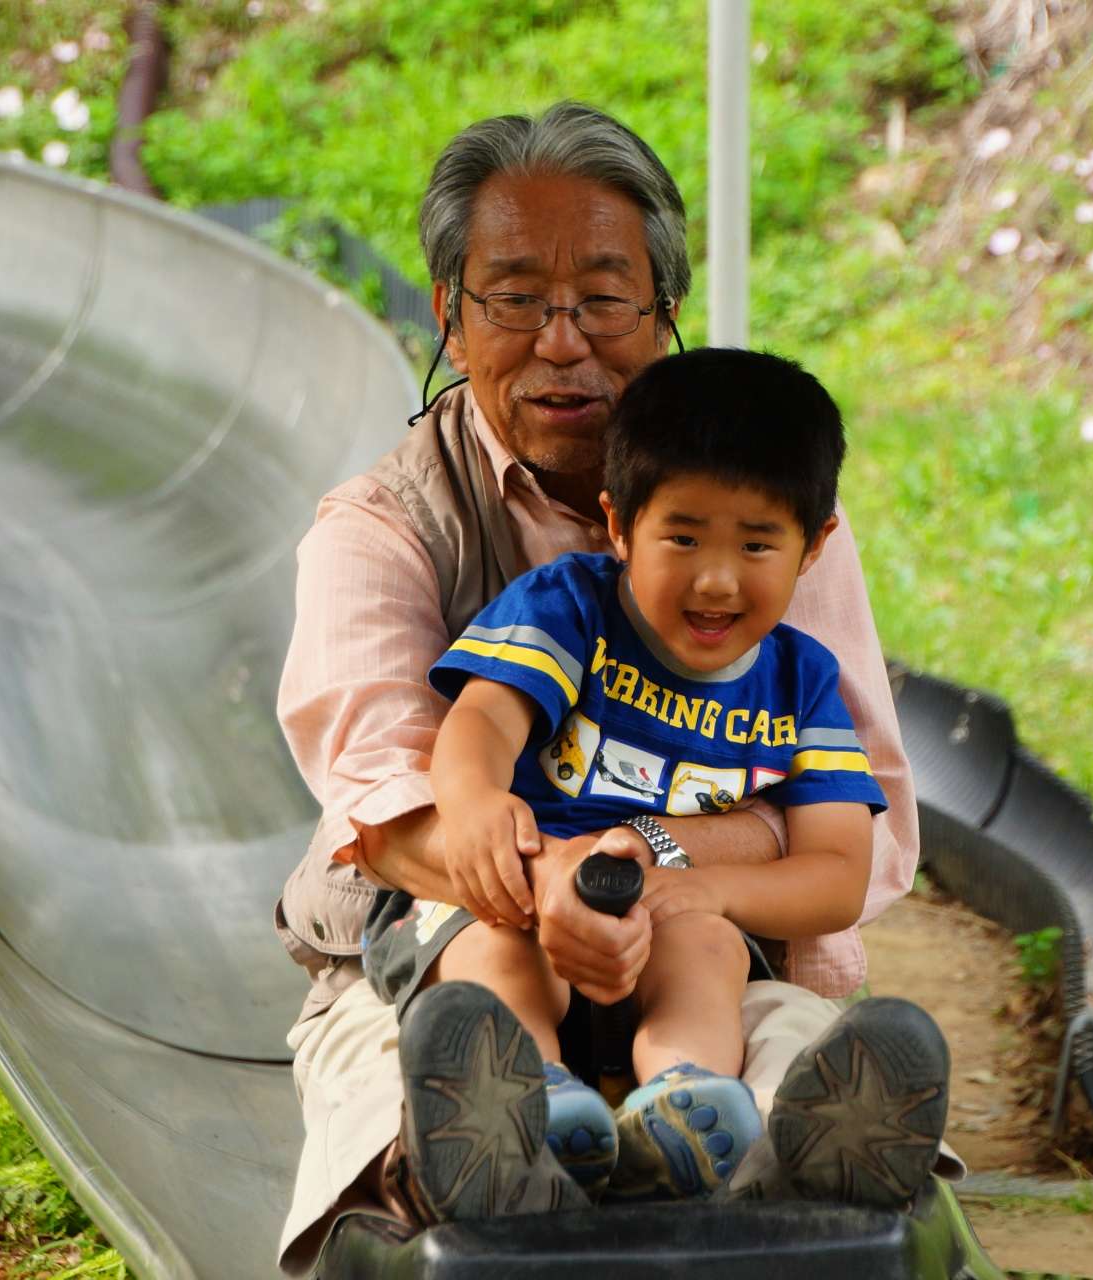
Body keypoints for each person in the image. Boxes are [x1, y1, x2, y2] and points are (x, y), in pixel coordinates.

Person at [273, 102, 956, 1274]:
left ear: (665, 310)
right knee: (423, 1058)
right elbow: (390, 801)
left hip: (705, 936)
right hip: (466, 929)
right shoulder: (385, 529)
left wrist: (659, 872)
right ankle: (504, 1155)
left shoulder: (775, 531)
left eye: (603, 296)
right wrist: (569, 881)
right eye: (514, 297)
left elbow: (861, 832)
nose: (561, 340)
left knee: (780, 1044)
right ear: (449, 311)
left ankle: (786, 1162)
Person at [372, 348, 890, 1204]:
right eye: (682, 537)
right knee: (493, 944)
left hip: (667, 917)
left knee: (710, 947)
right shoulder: (570, 606)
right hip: (524, 890)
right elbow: (486, 717)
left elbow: (839, 874)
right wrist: (473, 808)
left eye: (757, 543)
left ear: (814, 545)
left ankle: (680, 1106)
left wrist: (713, 894)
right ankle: (528, 1101)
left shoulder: (803, 683)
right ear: (618, 525)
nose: (716, 580)